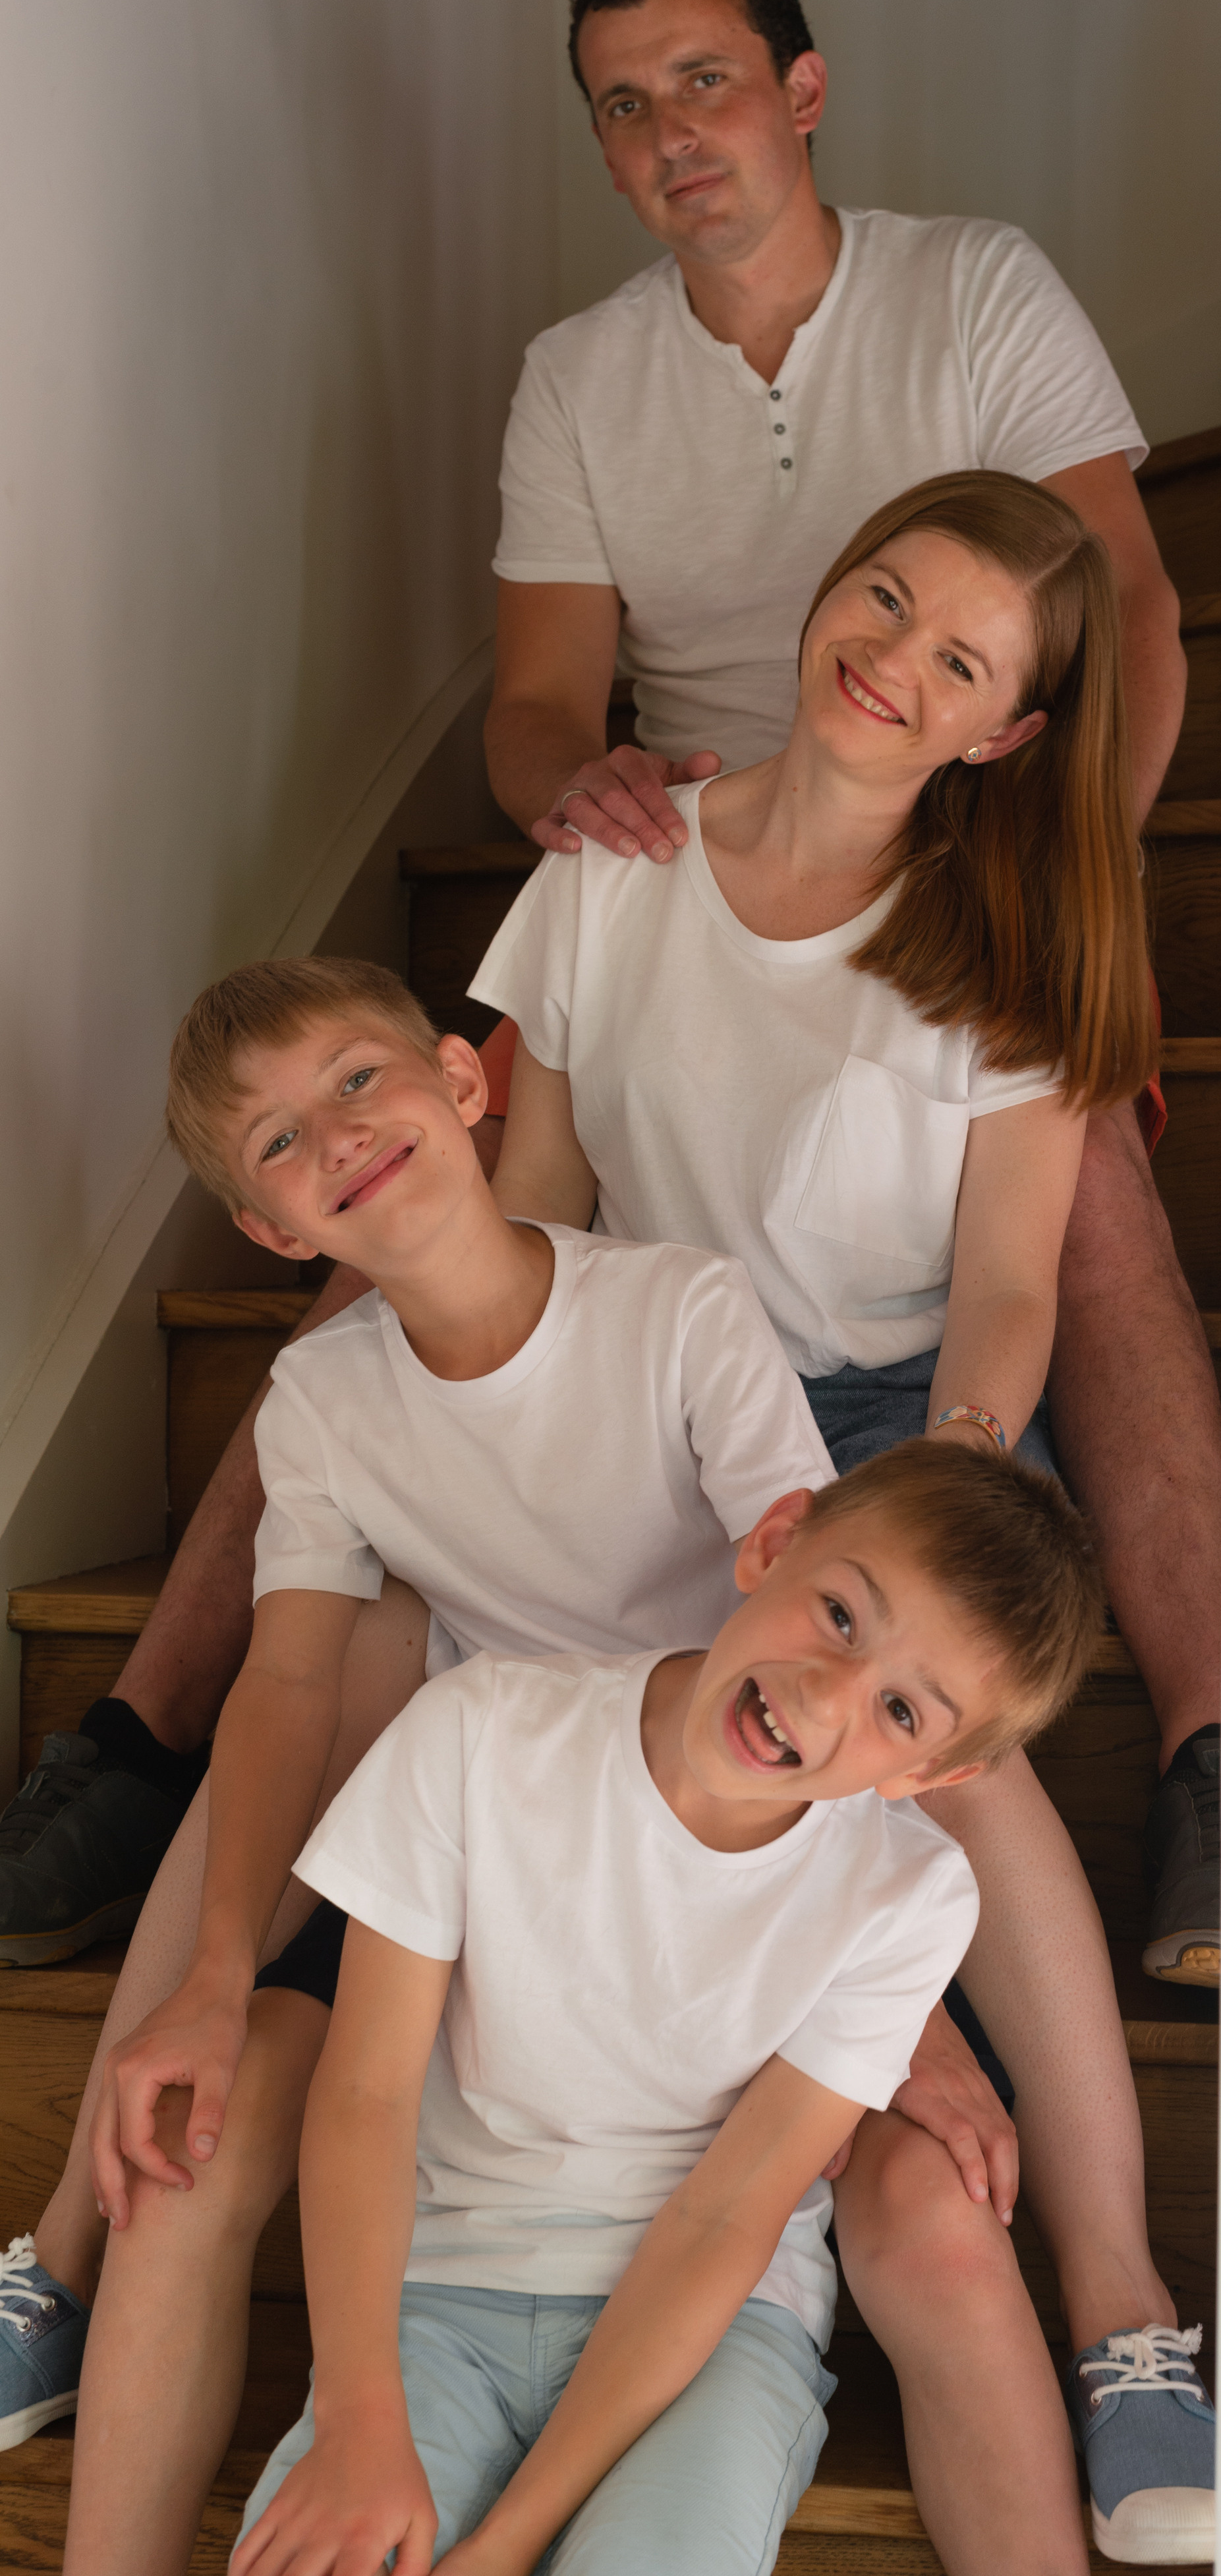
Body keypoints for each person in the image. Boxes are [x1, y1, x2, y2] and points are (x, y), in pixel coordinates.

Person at [0, 0, 1220, 1999]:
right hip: (683, 860)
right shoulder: (582, 378)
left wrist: (1055, 909)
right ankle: (139, 1732)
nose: (672, 131)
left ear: (802, 88)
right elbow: (538, 705)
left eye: (707, 79)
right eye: (624, 105)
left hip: (958, 878)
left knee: (1072, 1160)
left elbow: (1123, 614)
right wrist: (593, 803)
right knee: (414, 1225)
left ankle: (1206, 1748)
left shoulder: (975, 290)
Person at [474, 467, 1216, 2568]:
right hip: (659, 1390)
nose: (893, 660)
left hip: (911, 1413)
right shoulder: (617, 864)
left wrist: (939, 1487)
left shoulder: (1012, 926)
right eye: (886, 598)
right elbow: (536, 1198)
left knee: (956, 1781)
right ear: (830, 585)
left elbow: (1005, 1286)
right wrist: (549, 1440)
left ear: (1004, 732)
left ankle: (1120, 2311)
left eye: (960, 660)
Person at [11, 954, 849, 2556]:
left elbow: (818, 1624)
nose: (331, 1134)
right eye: (273, 1142)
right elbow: (283, 1689)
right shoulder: (317, 1395)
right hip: (474, 1842)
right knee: (196, 2130)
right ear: (277, 1234)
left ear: (469, 1083)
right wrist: (209, 1968)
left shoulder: (678, 1306)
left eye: (354, 1078)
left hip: (712, 1823)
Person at [231, 1440, 1103, 2576]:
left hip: (718, 2330)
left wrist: (507, 2544)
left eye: (899, 1710)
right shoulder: (479, 1729)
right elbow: (362, 2098)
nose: (828, 1695)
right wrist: (358, 2418)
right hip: (438, 2294)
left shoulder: (911, 1899)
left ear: (929, 1777)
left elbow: (722, 2221)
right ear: (776, 1542)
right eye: (841, 1615)